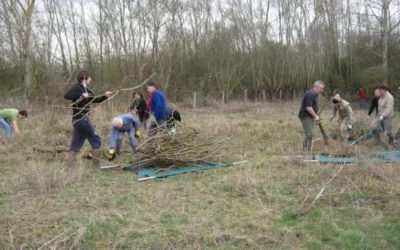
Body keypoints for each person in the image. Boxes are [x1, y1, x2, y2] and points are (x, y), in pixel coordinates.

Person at [64, 70, 112, 169]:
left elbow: (95, 100)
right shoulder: (77, 87)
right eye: (89, 77)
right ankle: (96, 167)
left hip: (79, 121)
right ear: (84, 78)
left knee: (76, 144)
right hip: (81, 119)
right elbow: (67, 96)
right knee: (96, 140)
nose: (91, 79)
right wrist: (80, 95)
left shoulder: (88, 91)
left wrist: (105, 96)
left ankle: (70, 168)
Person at [298, 80, 325, 153]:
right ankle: (307, 152)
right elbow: (309, 108)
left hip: (310, 117)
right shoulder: (310, 94)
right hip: (305, 116)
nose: (322, 90)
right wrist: (316, 116)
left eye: (323, 89)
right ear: (315, 87)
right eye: (321, 88)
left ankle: (304, 149)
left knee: (309, 133)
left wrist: (315, 117)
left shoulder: (315, 95)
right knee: (310, 134)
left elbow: (313, 107)